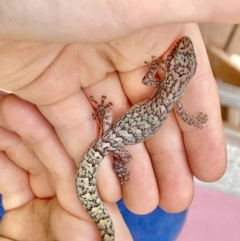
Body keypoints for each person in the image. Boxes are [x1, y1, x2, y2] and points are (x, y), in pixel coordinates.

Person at [0, 1, 238, 240]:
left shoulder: (161, 86)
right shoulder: (175, 100)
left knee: (155, 207)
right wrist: (194, 120)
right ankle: (117, 173)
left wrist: (154, 66)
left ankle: (113, 175)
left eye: (180, 56)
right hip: (113, 139)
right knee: (157, 218)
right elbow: (184, 115)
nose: (180, 49)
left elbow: (148, 81)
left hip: (112, 134)